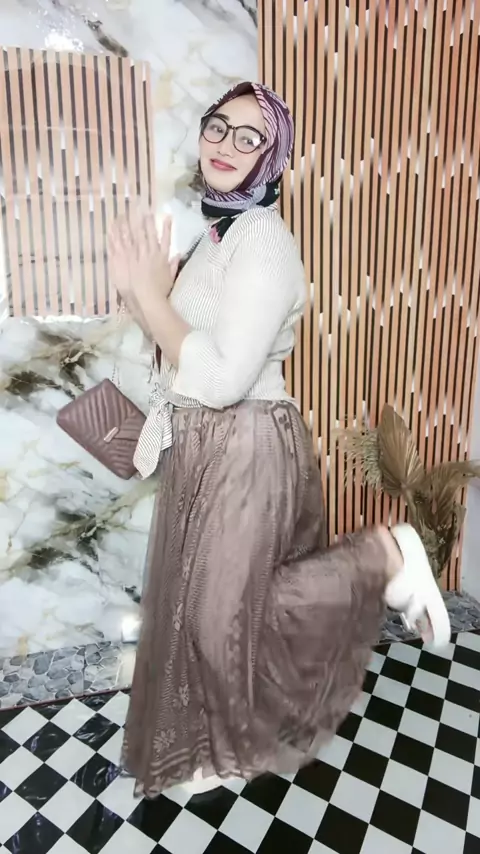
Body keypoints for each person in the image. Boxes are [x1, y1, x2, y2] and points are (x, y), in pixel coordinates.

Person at [108, 81, 450, 799]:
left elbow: (224, 378)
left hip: (247, 443)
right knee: (204, 615)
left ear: (274, 156)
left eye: (249, 137)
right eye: (218, 126)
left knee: (231, 613)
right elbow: (181, 354)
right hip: (202, 444)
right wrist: (147, 299)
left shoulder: (264, 239)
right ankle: (215, 745)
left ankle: (385, 555)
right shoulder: (216, 237)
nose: (226, 145)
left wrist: (150, 299)